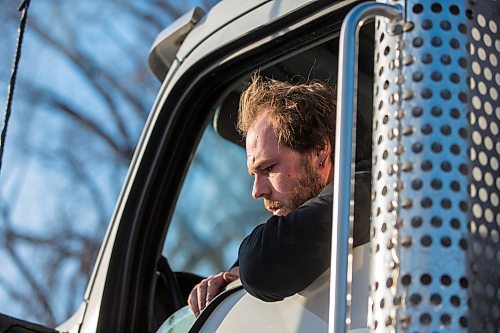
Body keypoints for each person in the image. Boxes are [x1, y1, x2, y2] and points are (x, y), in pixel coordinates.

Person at [188, 75, 370, 317]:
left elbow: (262, 265)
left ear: (320, 150)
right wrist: (233, 276)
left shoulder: (376, 187)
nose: (256, 191)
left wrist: (243, 270)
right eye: (254, 174)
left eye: (269, 168)